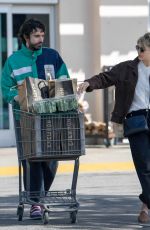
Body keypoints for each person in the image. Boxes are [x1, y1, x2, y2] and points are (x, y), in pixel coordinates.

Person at [78, 32, 150, 224]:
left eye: (142, 49)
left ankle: (146, 205)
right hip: (136, 120)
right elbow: (104, 78)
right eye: (138, 48)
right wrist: (88, 83)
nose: (139, 51)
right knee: (144, 166)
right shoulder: (127, 68)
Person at [1, 18, 70, 219]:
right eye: (36, 36)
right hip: (26, 119)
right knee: (32, 159)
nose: (41, 39)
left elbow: (64, 79)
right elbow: (5, 88)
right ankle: (36, 203)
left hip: (51, 118)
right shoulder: (13, 61)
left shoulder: (52, 56)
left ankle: (40, 198)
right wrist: (19, 98)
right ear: (25, 37)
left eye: (42, 35)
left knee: (51, 160)